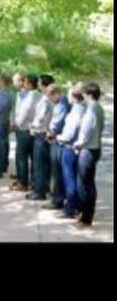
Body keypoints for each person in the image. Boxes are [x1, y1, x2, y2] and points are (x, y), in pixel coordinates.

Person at [53, 83, 87, 218]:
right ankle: (77, 206)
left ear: (74, 96)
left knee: (70, 180)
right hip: (77, 148)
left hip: (69, 147)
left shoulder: (76, 111)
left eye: (68, 94)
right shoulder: (83, 109)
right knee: (76, 179)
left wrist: (58, 137)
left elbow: (68, 133)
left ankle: (70, 208)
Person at [74, 82, 105, 228]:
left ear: (89, 94)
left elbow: (86, 130)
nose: (83, 95)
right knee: (89, 184)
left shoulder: (92, 109)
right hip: (95, 148)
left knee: (84, 185)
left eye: (84, 93)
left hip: (88, 149)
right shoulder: (98, 108)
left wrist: (79, 143)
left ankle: (85, 218)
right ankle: (86, 214)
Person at [25, 73, 55, 201]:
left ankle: (39, 191)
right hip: (47, 133)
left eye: (40, 83)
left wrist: (32, 125)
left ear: (43, 85)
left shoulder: (44, 99)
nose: (38, 84)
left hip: (40, 134)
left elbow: (40, 117)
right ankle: (45, 186)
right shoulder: (52, 99)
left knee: (39, 164)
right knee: (46, 164)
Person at [10, 74, 40, 192]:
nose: (23, 84)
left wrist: (15, 124)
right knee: (33, 158)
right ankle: (33, 181)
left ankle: (22, 183)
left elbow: (23, 113)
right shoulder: (39, 95)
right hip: (33, 129)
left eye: (25, 82)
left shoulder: (29, 97)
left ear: (29, 84)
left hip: (24, 129)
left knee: (21, 157)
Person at [42, 84, 71, 210]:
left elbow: (56, 125)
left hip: (58, 142)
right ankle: (60, 198)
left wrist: (49, 133)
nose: (50, 100)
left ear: (56, 94)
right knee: (59, 173)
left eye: (50, 97)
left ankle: (57, 200)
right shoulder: (62, 103)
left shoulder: (61, 105)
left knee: (57, 173)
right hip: (59, 141)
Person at [9, 72, 27, 180]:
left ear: (21, 81)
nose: (14, 83)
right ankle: (19, 174)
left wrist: (15, 123)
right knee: (19, 152)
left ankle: (22, 177)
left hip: (22, 127)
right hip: (18, 125)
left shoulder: (24, 94)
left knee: (21, 154)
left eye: (15, 80)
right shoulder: (19, 93)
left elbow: (22, 112)